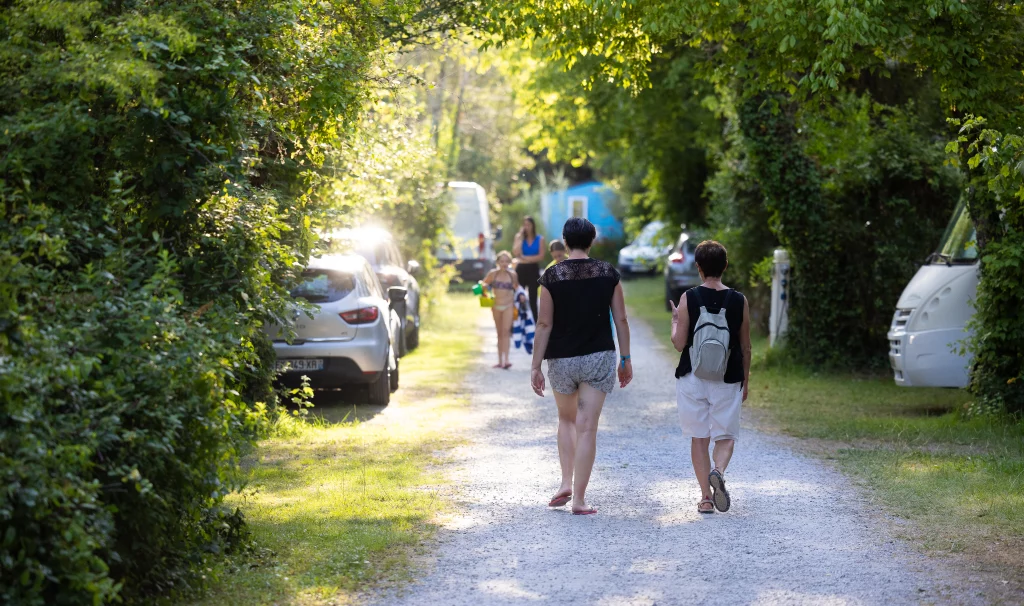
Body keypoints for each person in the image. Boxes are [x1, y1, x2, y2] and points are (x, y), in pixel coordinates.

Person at [531, 217, 632, 515]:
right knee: (587, 428)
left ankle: (565, 481)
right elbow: (621, 320)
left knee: (566, 420)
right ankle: (579, 499)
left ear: (564, 241)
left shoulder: (552, 276)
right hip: (598, 356)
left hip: (561, 358)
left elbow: (544, 323)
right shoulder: (608, 273)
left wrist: (535, 366)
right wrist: (625, 359)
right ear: (592, 241)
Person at [669, 240, 751, 514]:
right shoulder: (739, 300)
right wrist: (746, 381)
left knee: (699, 437)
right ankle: (718, 470)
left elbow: (680, 344)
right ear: (725, 266)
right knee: (726, 435)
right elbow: (745, 345)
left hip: (693, 376)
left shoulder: (688, 298)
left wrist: (675, 323)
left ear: (699, 267)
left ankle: (705, 497)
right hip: (728, 378)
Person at [482, 251, 520, 369]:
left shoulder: (512, 275)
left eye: (506, 261)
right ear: (497, 262)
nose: (504, 263)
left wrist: (522, 297)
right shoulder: (493, 274)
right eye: (501, 261)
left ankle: (506, 360)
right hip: (496, 306)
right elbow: (484, 284)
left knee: (506, 332)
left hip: (508, 305)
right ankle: (499, 361)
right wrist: (484, 288)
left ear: (509, 262)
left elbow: (517, 288)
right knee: (499, 333)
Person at [513, 216, 545, 321]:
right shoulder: (519, 237)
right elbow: (516, 253)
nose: (526, 227)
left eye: (528, 225)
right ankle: (518, 320)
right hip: (521, 269)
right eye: (525, 225)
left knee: (533, 297)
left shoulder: (540, 239)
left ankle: (534, 321)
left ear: (533, 226)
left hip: (533, 270)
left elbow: (541, 256)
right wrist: (520, 238)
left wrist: (525, 258)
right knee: (519, 294)